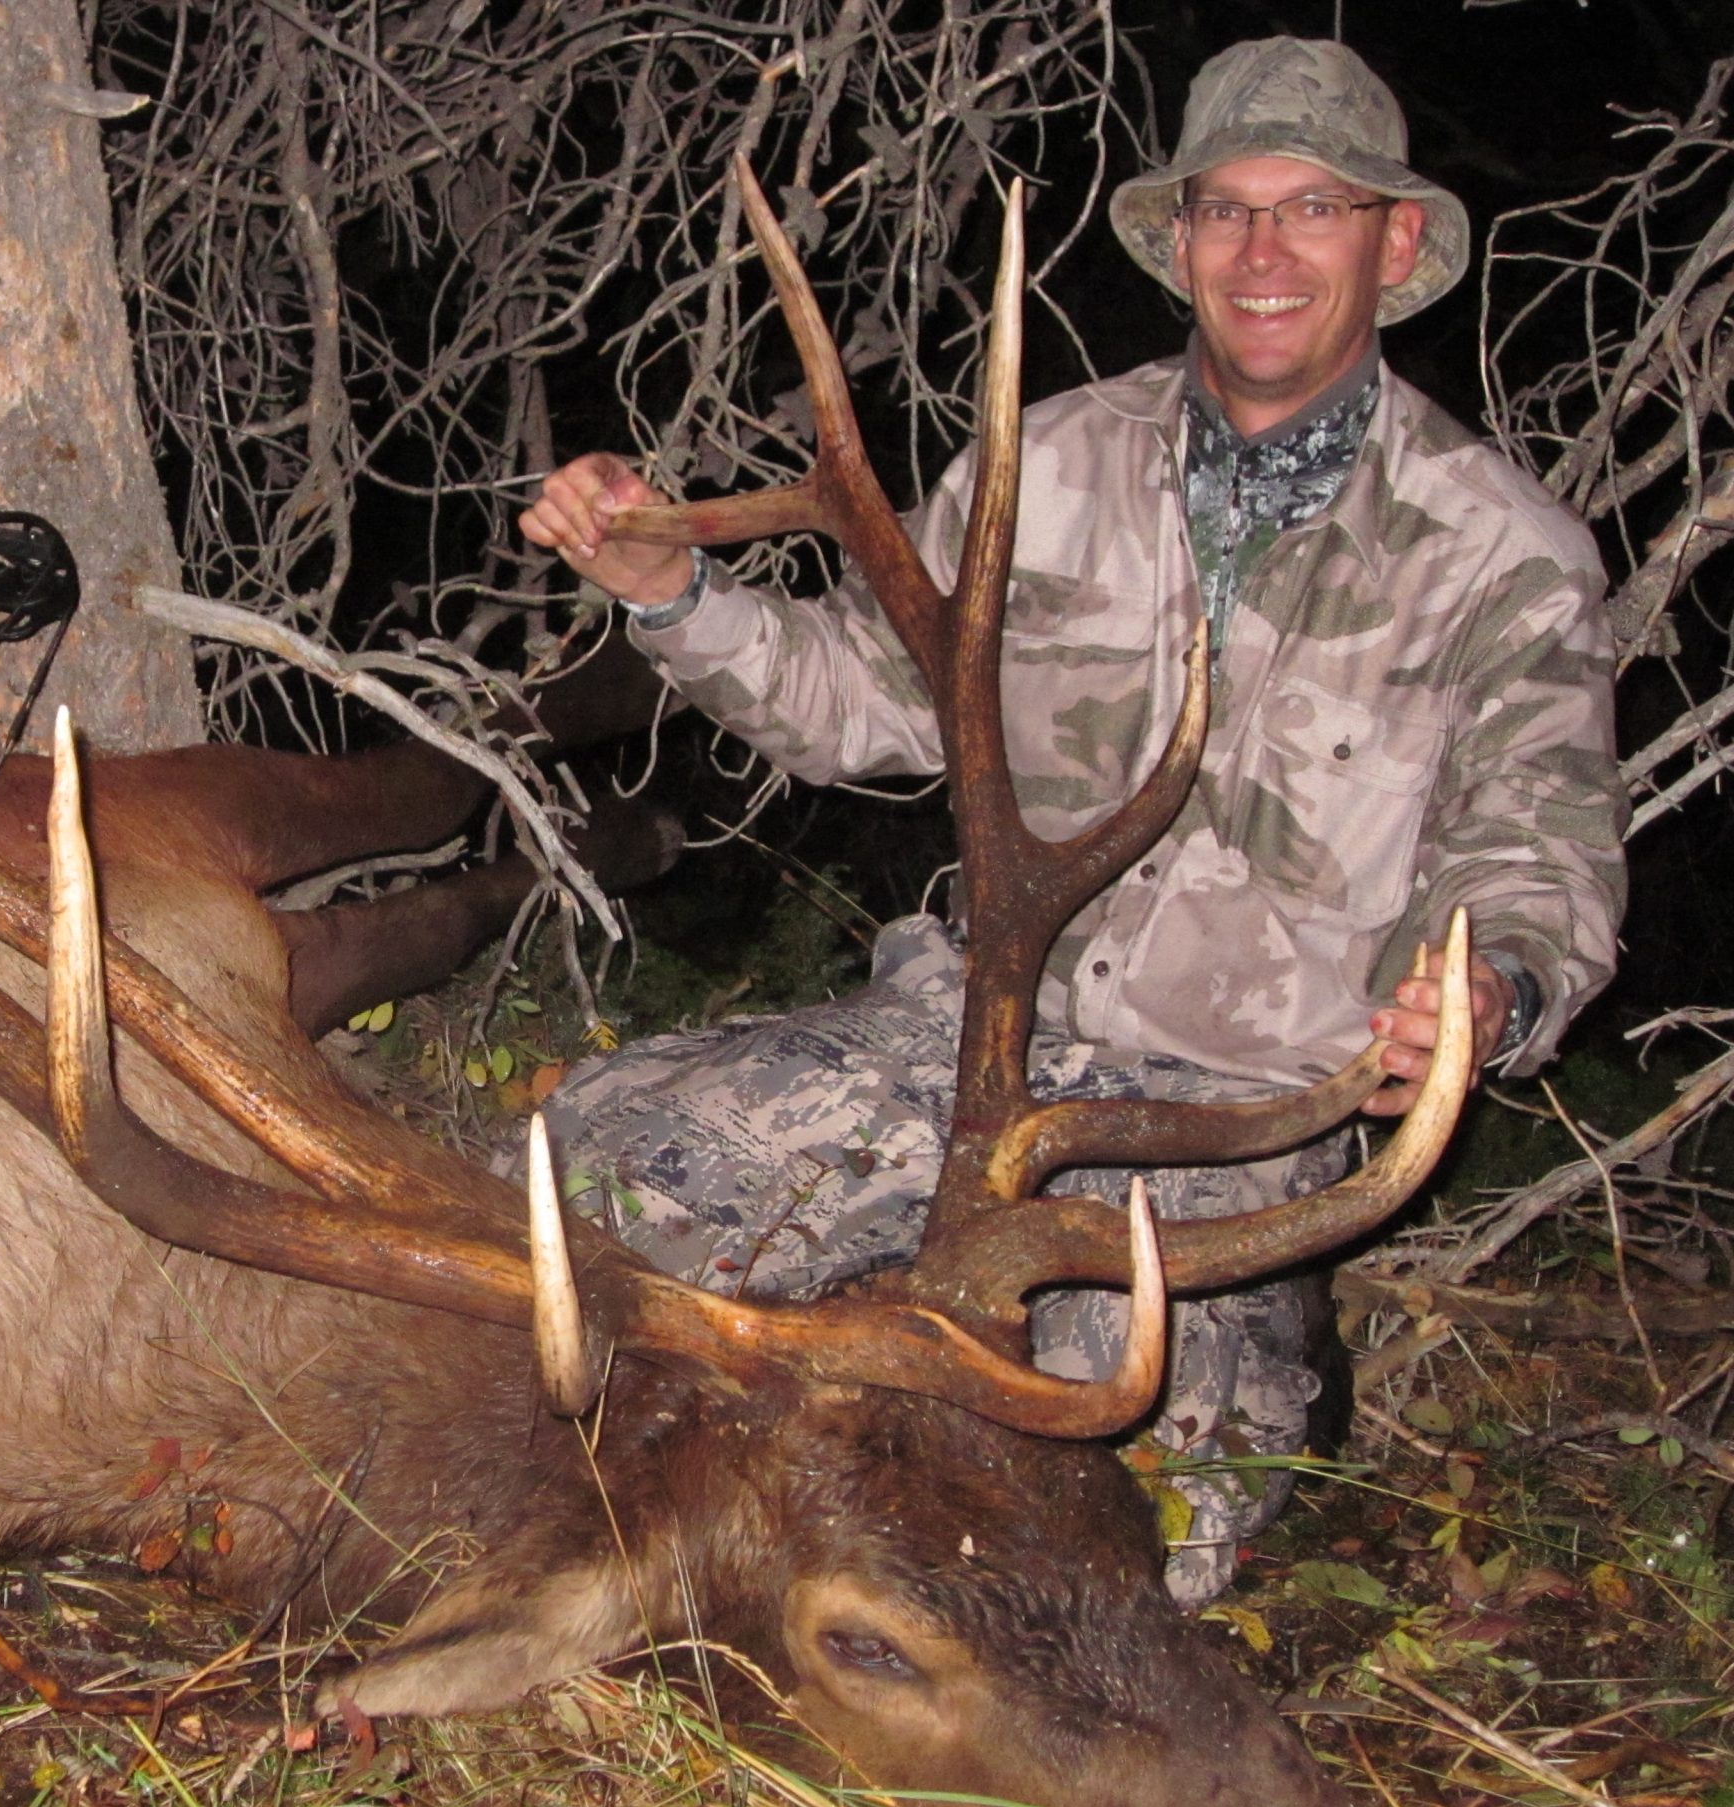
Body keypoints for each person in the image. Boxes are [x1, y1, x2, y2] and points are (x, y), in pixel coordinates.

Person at [519, 37, 1627, 1602]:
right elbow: (855, 698)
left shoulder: (1504, 554)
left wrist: (1486, 987)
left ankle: (1240, 1375)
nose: (1264, 251)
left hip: (1225, 1124)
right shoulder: (1043, 463)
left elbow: (1537, 851)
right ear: (1181, 242)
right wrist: (671, 590)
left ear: (1392, 245)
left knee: (1092, 1491)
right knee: (574, 1177)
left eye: (1314, 209)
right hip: (964, 1042)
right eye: (1228, 210)